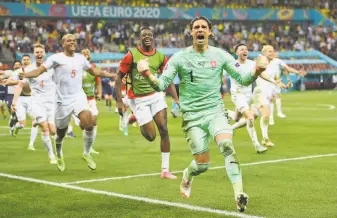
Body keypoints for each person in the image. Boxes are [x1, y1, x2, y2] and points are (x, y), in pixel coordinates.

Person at [136, 17, 268, 212]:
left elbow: (242, 78)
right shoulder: (179, 58)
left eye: (203, 27)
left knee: (226, 145)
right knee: (202, 165)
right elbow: (162, 84)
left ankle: (239, 194)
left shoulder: (220, 55)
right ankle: (188, 174)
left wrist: (257, 70)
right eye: (196, 27)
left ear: (210, 32)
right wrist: (147, 74)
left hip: (215, 111)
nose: (200, 30)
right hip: (192, 116)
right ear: (191, 33)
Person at [19, 34, 114, 172]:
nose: (72, 42)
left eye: (74, 40)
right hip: (62, 100)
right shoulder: (55, 58)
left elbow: (94, 71)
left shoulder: (81, 58)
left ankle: (86, 154)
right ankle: (59, 154)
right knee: (60, 134)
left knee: (89, 122)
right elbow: (39, 71)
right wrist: (25, 75)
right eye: (69, 40)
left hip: (78, 97)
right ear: (63, 44)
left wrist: (111, 75)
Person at [115, 27, 179, 179]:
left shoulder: (161, 57)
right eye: (144, 35)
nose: (147, 37)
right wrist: (119, 101)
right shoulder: (131, 55)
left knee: (164, 129)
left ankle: (165, 170)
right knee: (151, 136)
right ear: (140, 38)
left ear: (153, 37)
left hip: (156, 96)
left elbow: (167, 78)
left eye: (150, 35)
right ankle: (136, 115)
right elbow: (119, 77)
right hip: (138, 99)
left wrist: (176, 98)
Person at [230, 44, 288, 153]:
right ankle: (257, 145)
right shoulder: (232, 65)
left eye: (246, 49)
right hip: (238, 95)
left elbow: (262, 74)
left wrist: (275, 82)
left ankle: (225, 116)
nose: (245, 50)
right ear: (237, 53)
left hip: (251, 94)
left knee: (237, 118)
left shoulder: (252, 63)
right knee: (250, 118)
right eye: (242, 49)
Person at [12, 43, 57, 163]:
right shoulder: (27, 69)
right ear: (34, 54)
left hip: (51, 102)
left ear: (44, 53)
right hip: (37, 102)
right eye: (36, 52)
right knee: (44, 127)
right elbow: (19, 84)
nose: (39, 54)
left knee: (53, 131)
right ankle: (51, 155)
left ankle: (37, 121)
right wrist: (14, 101)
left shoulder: (51, 67)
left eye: (41, 52)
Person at [72, 48, 102, 155]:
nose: (85, 54)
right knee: (84, 125)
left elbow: (98, 83)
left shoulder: (94, 68)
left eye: (87, 53)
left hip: (91, 99)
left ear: (90, 56)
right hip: (79, 100)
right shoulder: (76, 67)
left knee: (94, 122)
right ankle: (87, 146)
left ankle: (90, 147)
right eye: (83, 52)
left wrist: (99, 93)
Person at [268, 51, 306, 125]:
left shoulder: (278, 61)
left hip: (277, 81)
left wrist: (297, 72)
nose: (276, 54)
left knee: (278, 96)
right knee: (271, 99)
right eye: (274, 53)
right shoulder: (265, 61)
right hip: (268, 81)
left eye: (276, 53)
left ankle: (279, 112)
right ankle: (271, 118)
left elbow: (287, 69)